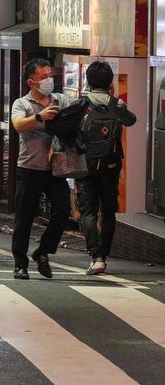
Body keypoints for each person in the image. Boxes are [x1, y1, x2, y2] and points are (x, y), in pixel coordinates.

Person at [9, 58, 71, 280]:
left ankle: (42, 251)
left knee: (63, 211)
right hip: (29, 168)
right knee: (24, 218)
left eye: (50, 75)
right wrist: (38, 116)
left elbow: (74, 121)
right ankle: (20, 264)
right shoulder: (22, 104)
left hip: (55, 169)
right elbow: (17, 125)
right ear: (31, 82)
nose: (48, 80)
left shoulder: (60, 99)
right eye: (43, 77)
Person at [77, 62, 136, 276]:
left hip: (86, 166)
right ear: (110, 83)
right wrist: (115, 100)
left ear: (88, 82)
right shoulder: (116, 103)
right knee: (108, 211)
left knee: (88, 211)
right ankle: (104, 255)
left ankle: (96, 257)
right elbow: (132, 121)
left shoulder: (82, 103)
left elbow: (67, 129)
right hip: (111, 167)